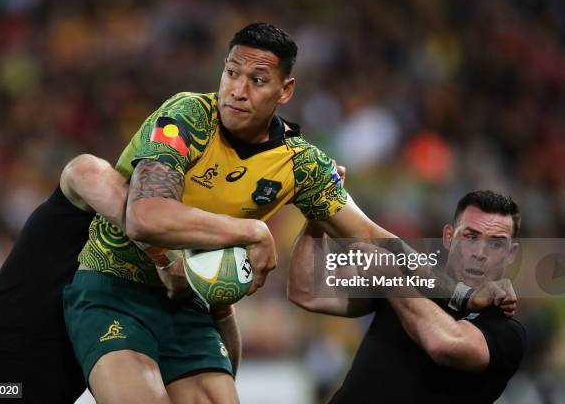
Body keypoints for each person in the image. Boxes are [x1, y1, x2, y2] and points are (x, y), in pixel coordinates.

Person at [62, 22, 519, 403]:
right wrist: (254, 232)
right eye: (231, 73)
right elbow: (145, 216)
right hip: (116, 285)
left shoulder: (302, 163)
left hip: (189, 306)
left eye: (256, 80)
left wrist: (460, 293)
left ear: (286, 90)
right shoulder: (186, 117)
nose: (237, 91)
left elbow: (378, 240)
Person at [0, 155, 240, 404]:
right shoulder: (97, 218)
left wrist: (220, 303)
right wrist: (163, 255)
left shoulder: (171, 282)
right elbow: (84, 170)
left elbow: (218, 365)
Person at [288, 190, 526, 403]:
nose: (480, 253)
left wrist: (391, 280)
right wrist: (316, 213)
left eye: (496, 244)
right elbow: (307, 290)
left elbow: (444, 344)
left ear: (511, 253)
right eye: (471, 237)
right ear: (448, 237)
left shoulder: (507, 332)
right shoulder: (414, 280)